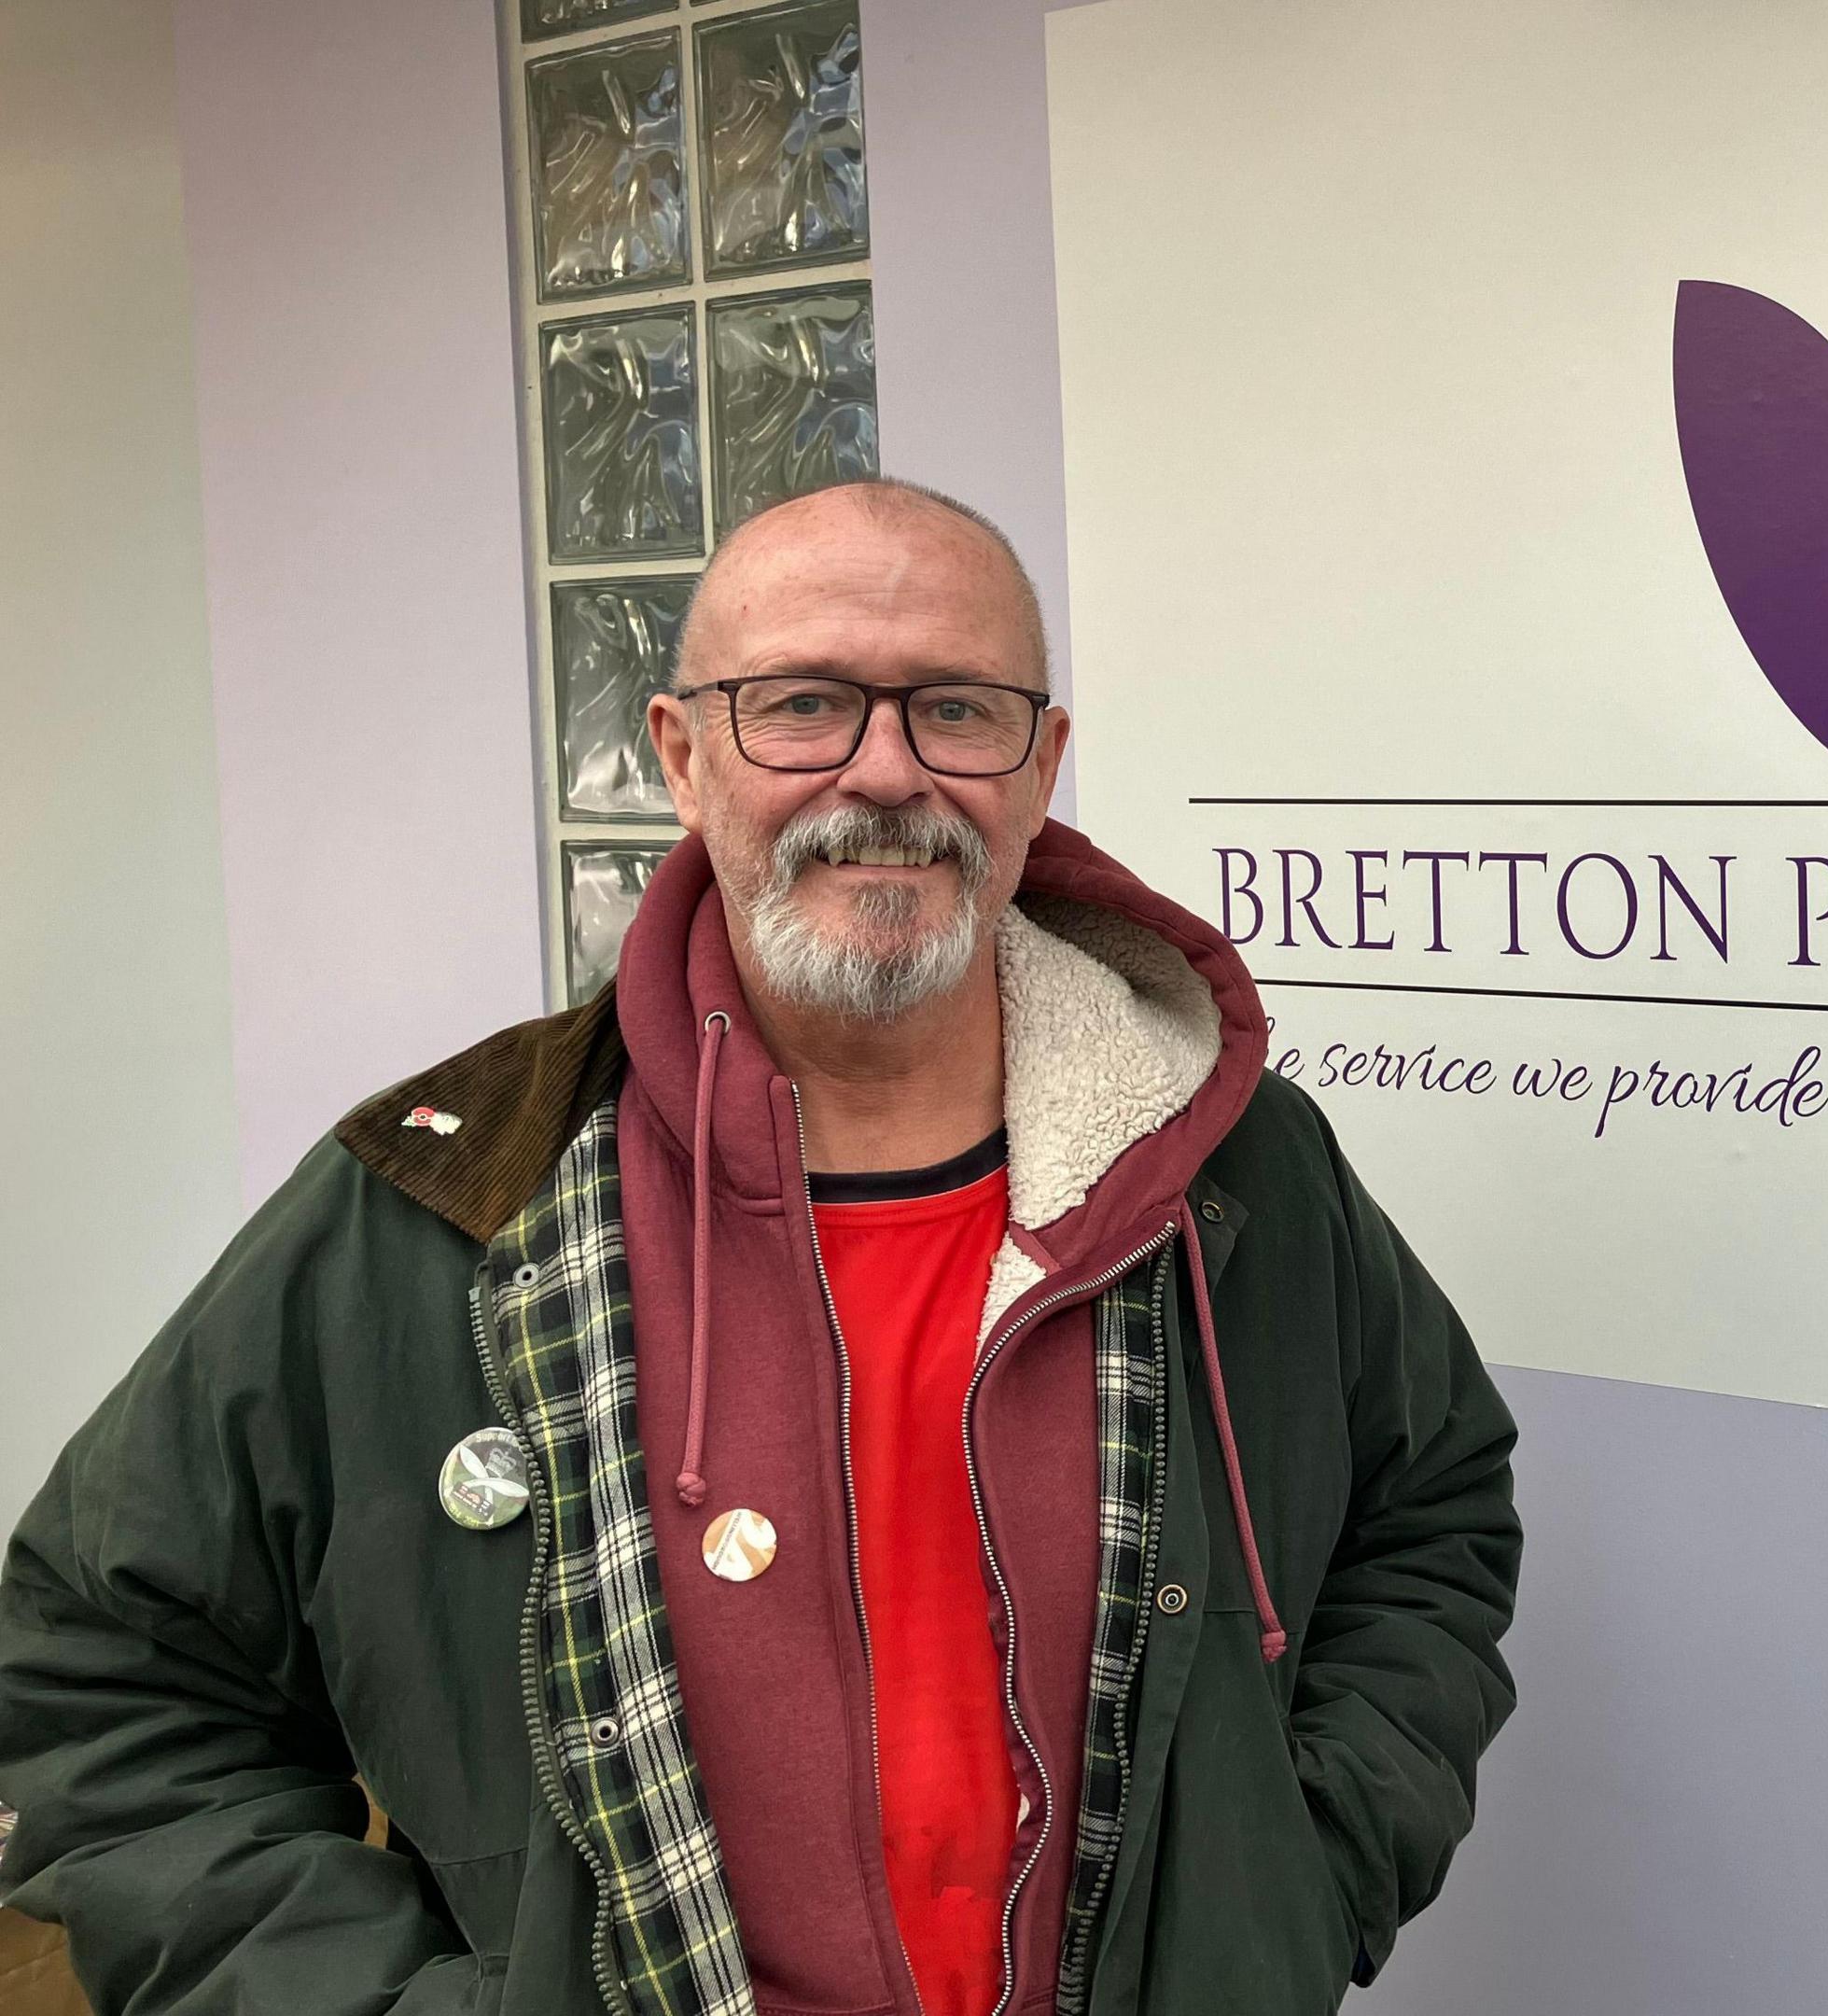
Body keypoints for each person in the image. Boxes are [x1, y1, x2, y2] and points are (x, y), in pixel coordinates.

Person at [0, 481, 1520, 2016]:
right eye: (800, 704)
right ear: (681, 755)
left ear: (1041, 765)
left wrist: (1286, 1889)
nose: (884, 773)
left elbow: (1434, 1506)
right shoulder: (446, 1207)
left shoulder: (1223, 1166)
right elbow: (104, 1669)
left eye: (957, 709)